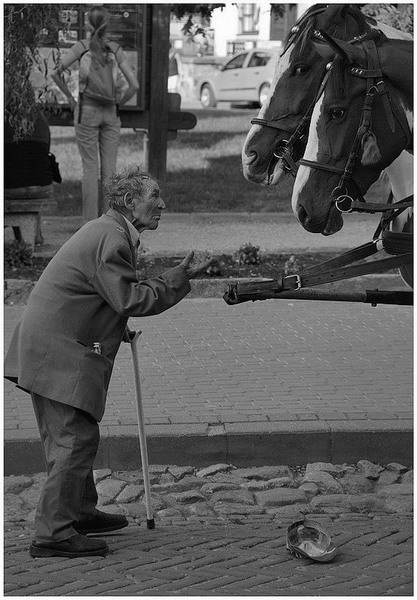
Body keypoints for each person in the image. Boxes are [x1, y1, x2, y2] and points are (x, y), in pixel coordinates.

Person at [4, 164, 213, 559]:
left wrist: (115, 328)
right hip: (56, 353)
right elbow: (131, 298)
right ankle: (52, 533)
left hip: (51, 348)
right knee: (74, 440)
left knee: (74, 435)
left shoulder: (109, 231)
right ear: (130, 202)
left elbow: (98, 296)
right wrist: (179, 277)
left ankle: (78, 513)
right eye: (154, 197)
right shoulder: (112, 238)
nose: (162, 204)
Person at [51, 5, 139, 222]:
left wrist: (71, 99)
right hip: (111, 112)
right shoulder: (115, 49)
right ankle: (110, 223)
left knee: (90, 168)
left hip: (86, 111)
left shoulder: (81, 47)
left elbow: (55, 72)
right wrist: (118, 103)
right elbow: (134, 85)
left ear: (88, 24)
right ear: (107, 24)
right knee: (110, 172)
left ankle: (89, 226)